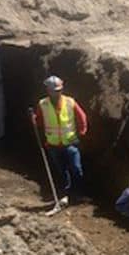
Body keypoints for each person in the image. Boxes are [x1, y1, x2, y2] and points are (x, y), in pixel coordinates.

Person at [34, 75, 88, 203]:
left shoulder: (70, 102)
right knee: (61, 170)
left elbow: (82, 116)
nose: (57, 93)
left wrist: (82, 131)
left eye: (59, 90)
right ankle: (65, 193)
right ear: (48, 90)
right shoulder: (43, 104)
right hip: (53, 145)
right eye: (54, 91)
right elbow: (39, 121)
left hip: (70, 143)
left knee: (76, 168)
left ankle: (78, 193)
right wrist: (34, 119)